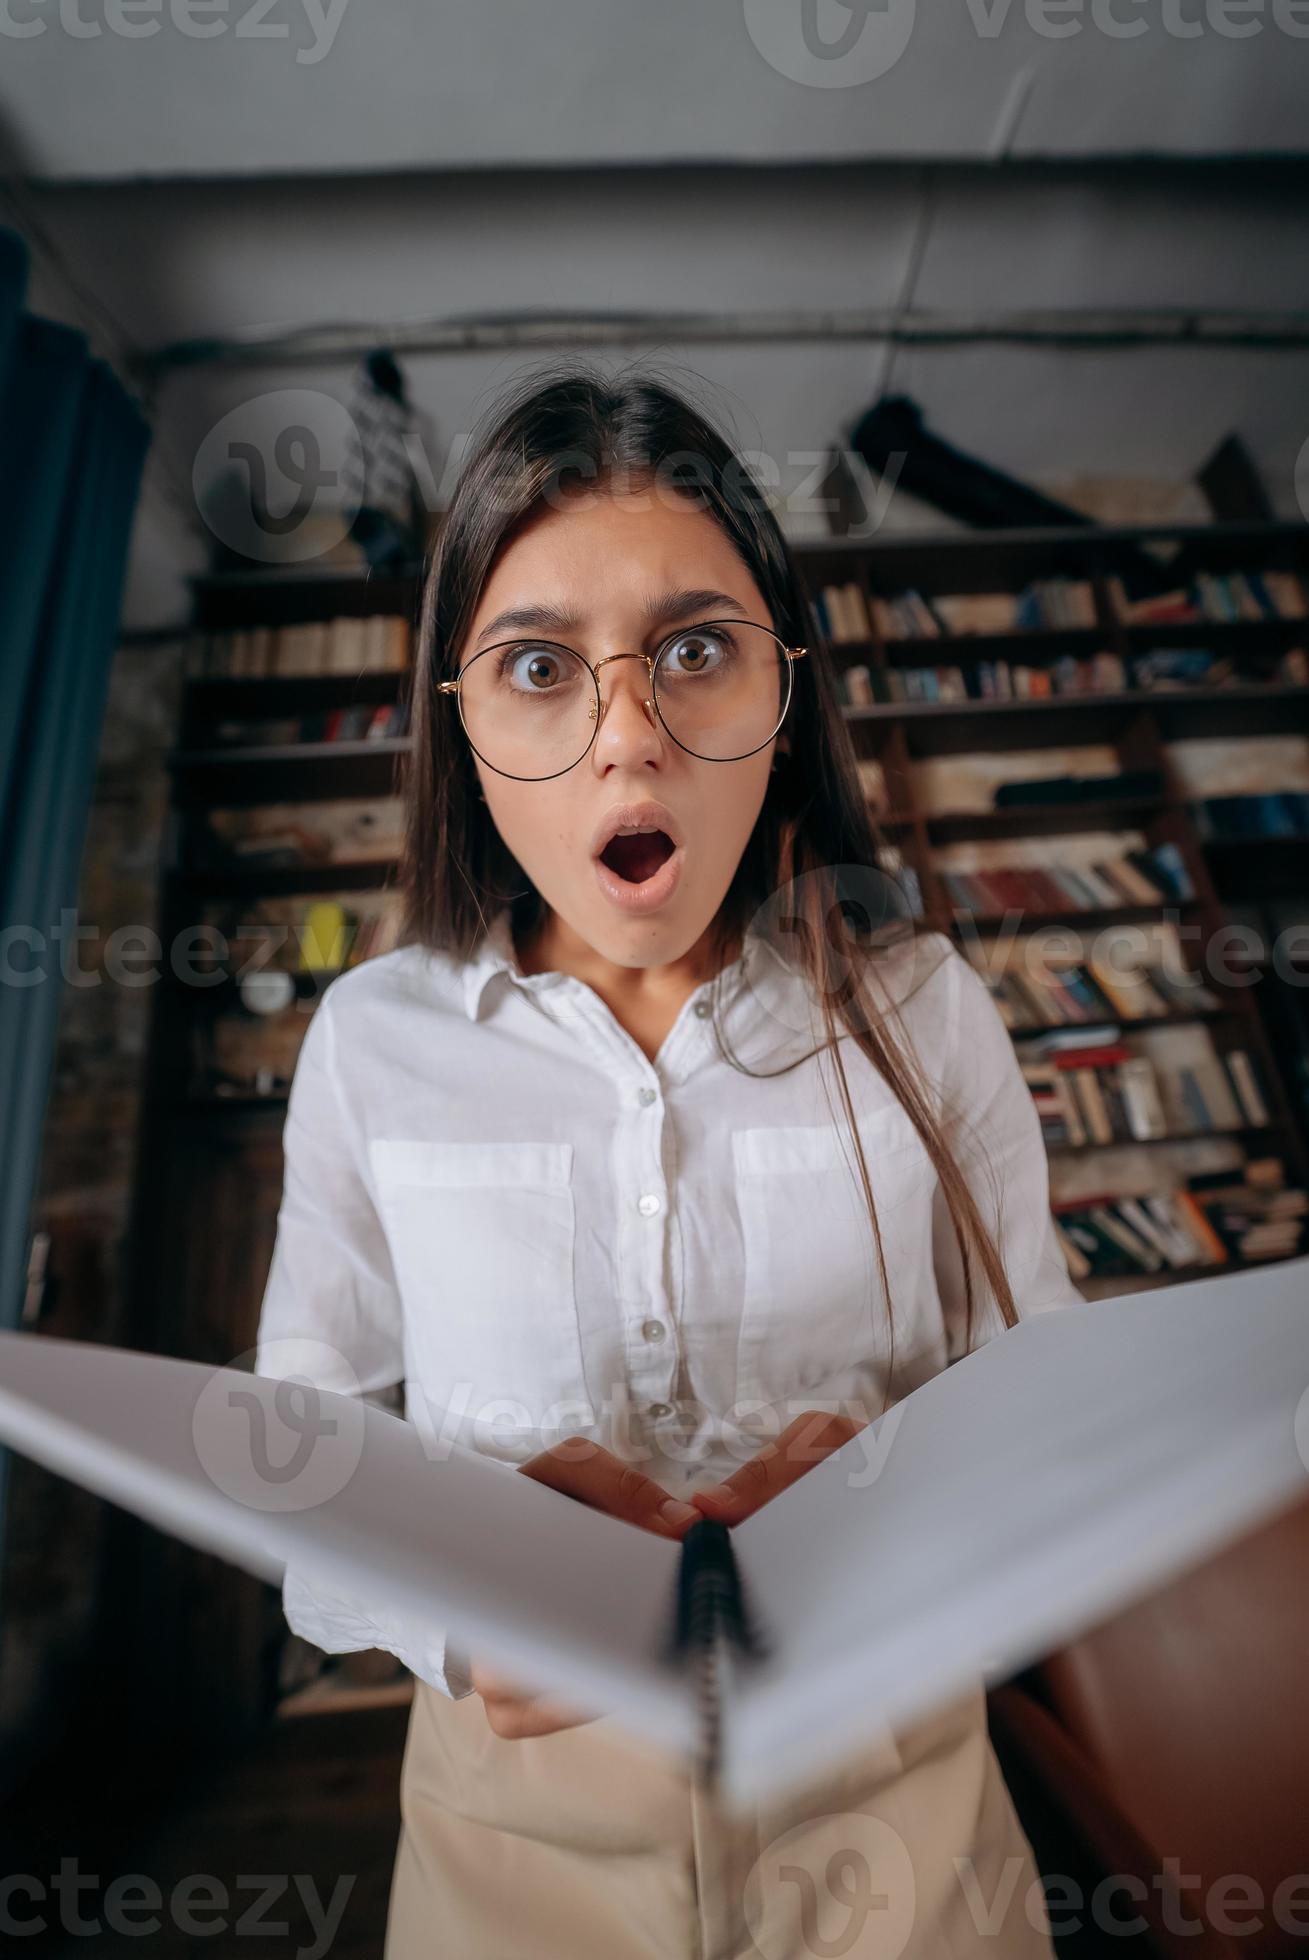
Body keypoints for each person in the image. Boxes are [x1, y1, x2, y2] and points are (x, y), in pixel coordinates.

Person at [254, 363, 1083, 1959]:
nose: (626, 740)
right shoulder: (372, 1039)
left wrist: (874, 1508)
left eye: (691, 651)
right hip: (516, 1861)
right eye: (539, 667)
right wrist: (464, 1597)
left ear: (783, 690)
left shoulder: (920, 1004)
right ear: (461, 724)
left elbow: (1044, 1390)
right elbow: (302, 1443)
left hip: (899, 1838)